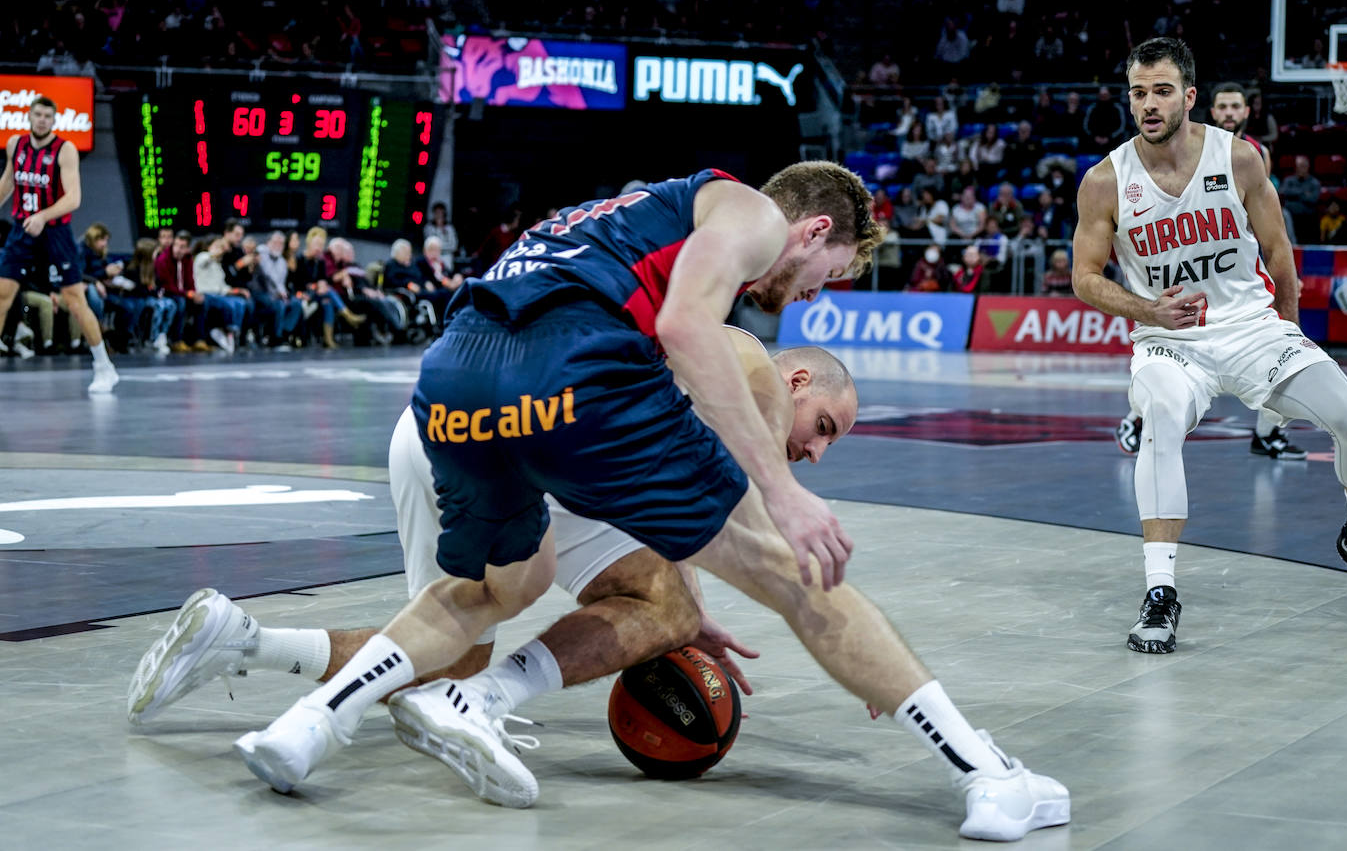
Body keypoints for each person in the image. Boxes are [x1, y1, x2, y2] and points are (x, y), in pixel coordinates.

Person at [225, 164, 1066, 840]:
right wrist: (784, 492)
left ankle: (305, 728)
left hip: (456, 370)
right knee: (797, 574)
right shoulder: (750, 215)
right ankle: (991, 778)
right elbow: (684, 328)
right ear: (811, 230)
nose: (810, 295)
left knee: (497, 591)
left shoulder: (626, 211)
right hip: (572, 370)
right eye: (827, 274)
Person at [133, 330, 1068, 842]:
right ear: (794, 379)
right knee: (621, 613)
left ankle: (243, 642)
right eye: (823, 424)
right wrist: (865, 662)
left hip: (445, 419)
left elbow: (673, 526)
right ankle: (476, 698)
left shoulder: (680, 322)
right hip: (534, 436)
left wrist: (688, 611)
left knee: (465, 632)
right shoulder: (742, 370)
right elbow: (777, 568)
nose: (815, 451)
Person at [1071, 37, 1347, 655]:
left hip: (1252, 329)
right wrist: (1146, 308)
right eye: (1137, 92)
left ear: (1188, 96)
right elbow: (1084, 277)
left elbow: (1280, 253)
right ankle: (1161, 591)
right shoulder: (1105, 181)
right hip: (1169, 338)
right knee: (1157, 421)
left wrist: (1287, 327)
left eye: (1160, 91)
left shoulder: (1237, 159)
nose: (1148, 104)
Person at [1114, 81, 1308, 460]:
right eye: (1224, 106)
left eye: (1237, 106)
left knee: (1276, 354)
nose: (1231, 112)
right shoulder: (1189, 149)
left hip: (1235, 269)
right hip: (1183, 266)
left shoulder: (1253, 154)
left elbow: (1264, 223)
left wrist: (1282, 268)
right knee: (1167, 360)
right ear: (1212, 110)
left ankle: (1268, 434)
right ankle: (1136, 417)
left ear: (1247, 111)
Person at [0, 95, 118, 391]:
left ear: (53, 120)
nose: (42, 120)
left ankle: (104, 366)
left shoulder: (65, 150)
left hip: (55, 232)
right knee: (2, 295)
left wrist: (43, 215)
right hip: (22, 229)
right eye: (37, 114)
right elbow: (8, 181)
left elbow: (73, 197)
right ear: (29, 115)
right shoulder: (16, 144)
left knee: (76, 301)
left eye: (47, 116)